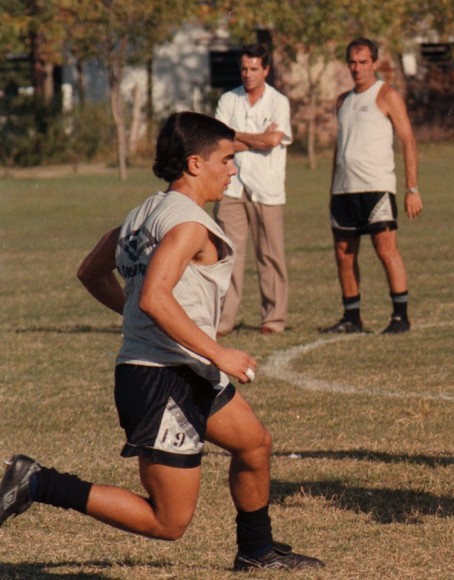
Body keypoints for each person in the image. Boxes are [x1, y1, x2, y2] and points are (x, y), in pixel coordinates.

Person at [0, 112, 324, 571]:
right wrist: (220, 352)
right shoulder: (189, 223)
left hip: (187, 369)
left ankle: (256, 550)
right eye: (227, 159)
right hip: (160, 380)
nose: (233, 169)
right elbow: (154, 297)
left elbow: (91, 271)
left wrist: (138, 316)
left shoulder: (141, 214)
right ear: (195, 163)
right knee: (168, 522)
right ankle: (37, 482)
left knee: (254, 444)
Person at [320, 37, 423, 335]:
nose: (357, 68)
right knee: (344, 253)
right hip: (344, 190)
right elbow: (340, 150)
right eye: (352, 62)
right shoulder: (342, 101)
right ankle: (352, 318)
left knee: (386, 250)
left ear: (375, 64)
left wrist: (412, 188)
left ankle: (400, 317)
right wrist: (331, 191)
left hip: (376, 188)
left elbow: (408, 140)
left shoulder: (387, 95)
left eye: (363, 62)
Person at [213, 44, 293, 336]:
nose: (248, 74)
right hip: (230, 187)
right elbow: (220, 143)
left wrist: (238, 137)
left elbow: (274, 141)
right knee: (227, 255)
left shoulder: (278, 102)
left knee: (270, 254)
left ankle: (274, 317)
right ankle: (224, 319)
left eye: (254, 69)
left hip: (266, 188)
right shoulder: (228, 100)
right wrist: (257, 138)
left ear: (266, 70)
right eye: (244, 69)